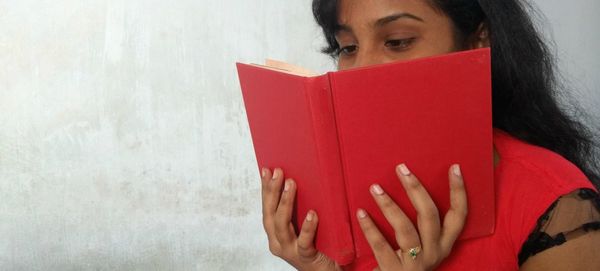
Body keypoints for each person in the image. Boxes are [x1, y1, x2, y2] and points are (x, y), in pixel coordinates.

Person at [258, 0, 600, 270]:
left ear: (476, 40)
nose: (361, 70)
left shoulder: (556, 206)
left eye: (397, 41)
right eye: (347, 47)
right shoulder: (349, 193)